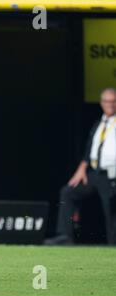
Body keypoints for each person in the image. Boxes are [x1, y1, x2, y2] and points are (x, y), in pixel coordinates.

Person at [45, 88, 116, 245]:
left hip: (112, 174)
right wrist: (82, 168)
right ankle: (65, 236)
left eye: (113, 101)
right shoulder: (100, 123)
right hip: (95, 173)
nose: (110, 105)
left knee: (111, 209)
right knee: (68, 192)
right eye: (107, 101)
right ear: (101, 103)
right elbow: (90, 148)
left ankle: (113, 245)